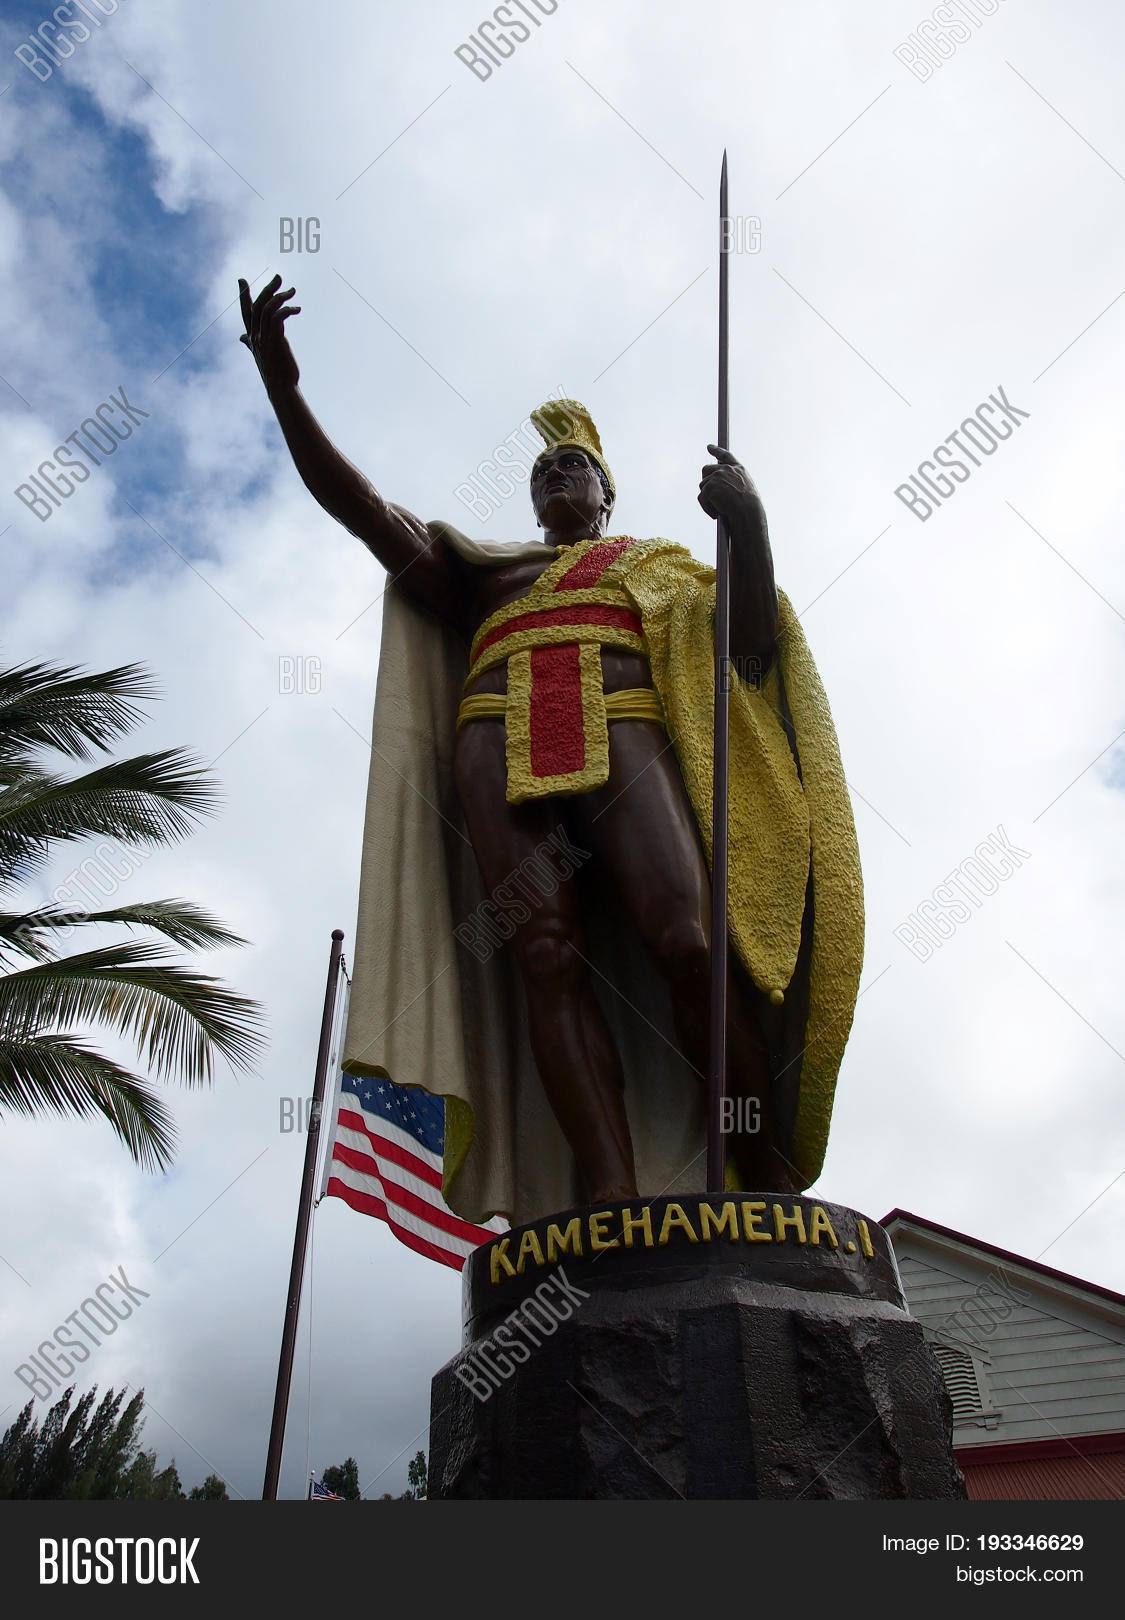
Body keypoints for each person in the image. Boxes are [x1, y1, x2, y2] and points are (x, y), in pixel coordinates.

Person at [239, 273, 864, 1226]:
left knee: (689, 941)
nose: (554, 479)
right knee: (547, 956)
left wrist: (749, 526)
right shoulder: (485, 575)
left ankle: (760, 1167)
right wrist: (286, 390)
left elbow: (745, 649)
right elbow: (361, 509)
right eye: (542, 472)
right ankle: (608, 1196)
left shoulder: (658, 570)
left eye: (572, 468)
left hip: (623, 726)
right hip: (495, 737)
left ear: (607, 494)